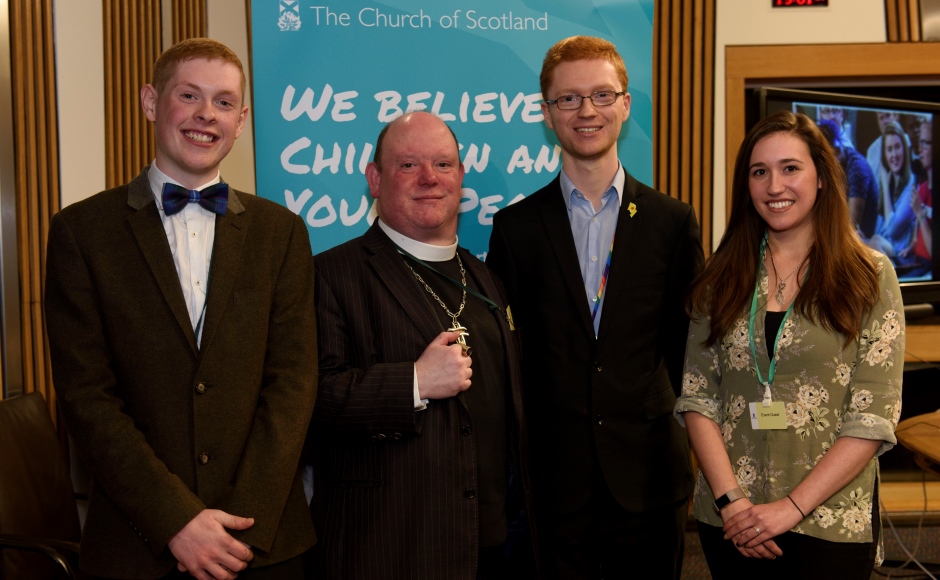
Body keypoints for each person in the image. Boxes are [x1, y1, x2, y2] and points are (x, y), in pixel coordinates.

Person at [44, 38, 317, 580]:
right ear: (150, 101)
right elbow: (87, 398)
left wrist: (239, 526)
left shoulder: (280, 232)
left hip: (261, 546)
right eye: (188, 95)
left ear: (241, 121)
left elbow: (293, 384)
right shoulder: (81, 232)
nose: (204, 116)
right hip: (136, 547)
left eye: (222, 102)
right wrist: (177, 521)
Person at [487, 35, 704, 579]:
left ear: (625, 105)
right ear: (547, 112)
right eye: (569, 99)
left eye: (602, 95)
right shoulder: (515, 230)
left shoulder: (672, 222)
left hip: (650, 478)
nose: (587, 111)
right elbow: (511, 362)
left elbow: (688, 355)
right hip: (554, 485)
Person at [674, 110, 904, 579]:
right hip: (730, 519)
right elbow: (698, 397)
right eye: (760, 172)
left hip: (830, 522)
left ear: (821, 177)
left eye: (790, 168)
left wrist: (790, 508)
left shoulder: (870, 276)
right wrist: (732, 503)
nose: (774, 185)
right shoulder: (720, 278)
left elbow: (873, 414)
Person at [308, 111, 537, 579]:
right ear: (375, 179)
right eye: (408, 165)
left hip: (495, 548)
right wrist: (414, 382)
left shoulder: (485, 278)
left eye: (444, 164)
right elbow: (312, 402)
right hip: (393, 549)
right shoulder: (329, 276)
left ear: (461, 178)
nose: (430, 178)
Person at [817, 119, 879, 239]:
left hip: (863, 240)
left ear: (838, 145)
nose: (835, 161)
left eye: (835, 153)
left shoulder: (857, 168)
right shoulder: (829, 165)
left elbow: (850, 225)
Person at [871, 120, 916, 257]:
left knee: (874, 242)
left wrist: (884, 183)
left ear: (904, 149)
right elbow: (879, 229)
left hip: (900, 254)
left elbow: (891, 229)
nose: (894, 155)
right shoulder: (889, 182)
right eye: (889, 149)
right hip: (884, 248)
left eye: (897, 147)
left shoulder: (911, 184)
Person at [899, 117, 933, 275]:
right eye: (920, 143)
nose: (920, 149)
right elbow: (915, 239)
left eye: (926, 143)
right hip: (917, 261)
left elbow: (934, 251)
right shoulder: (923, 189)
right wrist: (909, 249)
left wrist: (920, 213)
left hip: (930, 268)